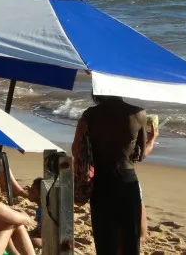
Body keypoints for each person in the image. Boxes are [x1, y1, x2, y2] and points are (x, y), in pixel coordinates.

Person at [76, 95, 156, 255]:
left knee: (105, 244)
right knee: (131, 244)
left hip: (102, 185)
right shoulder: (139, 114)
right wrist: (153, 139)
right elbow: (140, 155)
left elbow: (76, 149)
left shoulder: (90, 115)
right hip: (128, 183)